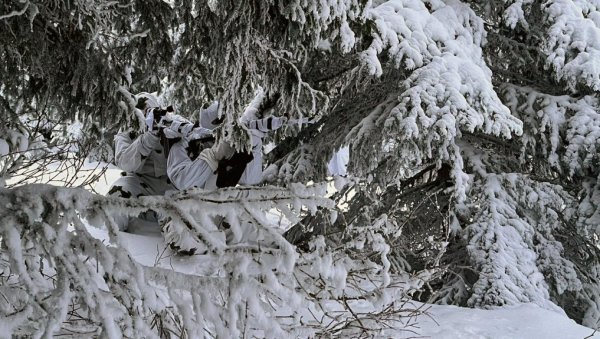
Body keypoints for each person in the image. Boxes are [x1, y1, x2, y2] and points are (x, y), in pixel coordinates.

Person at [160, 101, 287, 254]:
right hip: (185, 210)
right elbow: (183, 181)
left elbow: (250, 181)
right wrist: (213, 155)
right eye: (220, 121)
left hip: (220, 211)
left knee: (265, 237)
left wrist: (253, 144)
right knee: (184, 240)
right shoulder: (183, 144)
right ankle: (217, 247)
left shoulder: (232, 141)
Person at [106, 92, 175, 231]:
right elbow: (125, 163)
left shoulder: (173, 124)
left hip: (173, 187)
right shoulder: (126, 132)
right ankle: (119, 242)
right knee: (114, 201)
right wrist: (148, 138)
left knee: (180, 225)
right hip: (141, 184)